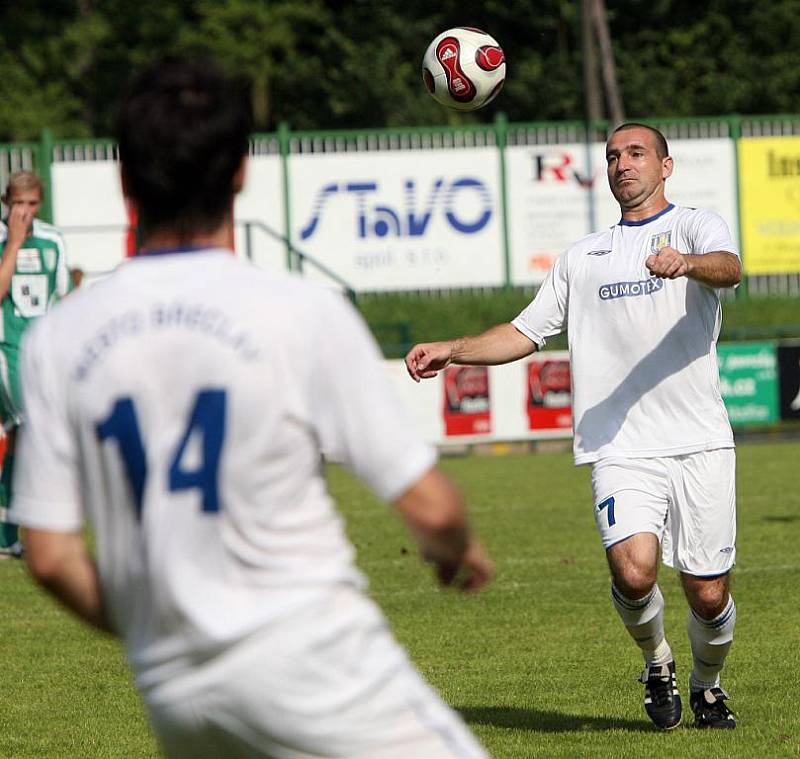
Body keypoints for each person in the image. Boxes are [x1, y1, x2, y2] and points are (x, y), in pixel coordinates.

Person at [9, 58, 493, 759]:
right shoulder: (299, 312)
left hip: (175, 691)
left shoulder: (59, 337)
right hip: (312, 661)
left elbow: (50, 556)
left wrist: (167, 635)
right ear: (240, 171)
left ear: (124, 181)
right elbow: (432, 506)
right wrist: (458, 547)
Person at [406, 123, 741, 731]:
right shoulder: (582, 257)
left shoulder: (696, 226)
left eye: (636, 154)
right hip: (618, 443)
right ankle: (657, 661)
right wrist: (452, 348)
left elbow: (730, 268)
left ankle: (707, 685)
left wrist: (686, 263)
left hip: (699, 440)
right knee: (634, 572)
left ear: (666, 166)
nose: (622, 165)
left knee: (709, 593)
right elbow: (524, 332)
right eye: (613, 156)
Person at [0, 171, 70, 557]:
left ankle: (6, 533)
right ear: (5, 203)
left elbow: (65, 297)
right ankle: (50, 528)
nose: (24, 212)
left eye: (31, 204)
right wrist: (13, 244)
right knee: (35, 428)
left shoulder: (54, 241)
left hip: (41, 355)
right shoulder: (1, 240)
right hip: (5, 350)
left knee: (22, 437)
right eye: (17, 204)